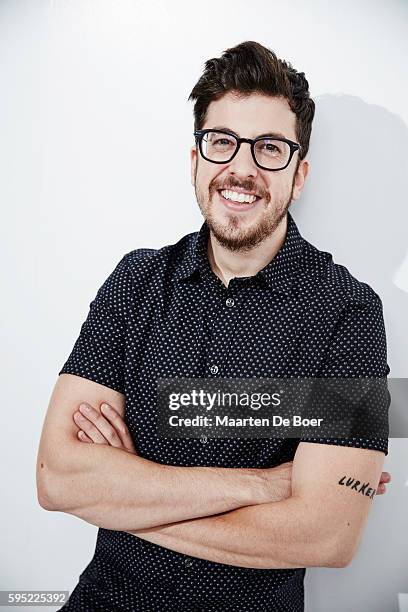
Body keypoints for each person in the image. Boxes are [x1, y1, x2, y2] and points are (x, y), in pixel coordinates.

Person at [36, 40, 392, 612]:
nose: (242, 168)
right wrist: (267, 483)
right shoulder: (136, 280)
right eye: (222, 142)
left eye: (270, 148)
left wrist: (120, 497)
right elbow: (57, 476)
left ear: (299, 175)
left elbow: (328, 535)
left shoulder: (349, 312)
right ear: (195, 160)